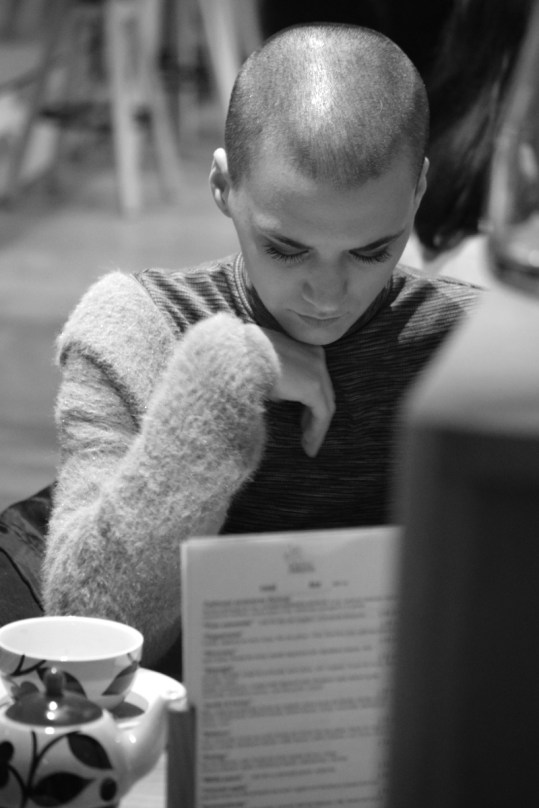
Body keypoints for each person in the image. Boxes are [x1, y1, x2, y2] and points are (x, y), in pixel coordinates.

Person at [43, 23, 481, 675]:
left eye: (371, 251)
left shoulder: (475, 344)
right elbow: (88, 636)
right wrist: (216, 387)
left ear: (418, 191)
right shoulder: (134, 329)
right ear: (224, 186)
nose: (326, 295)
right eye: (286, 249)